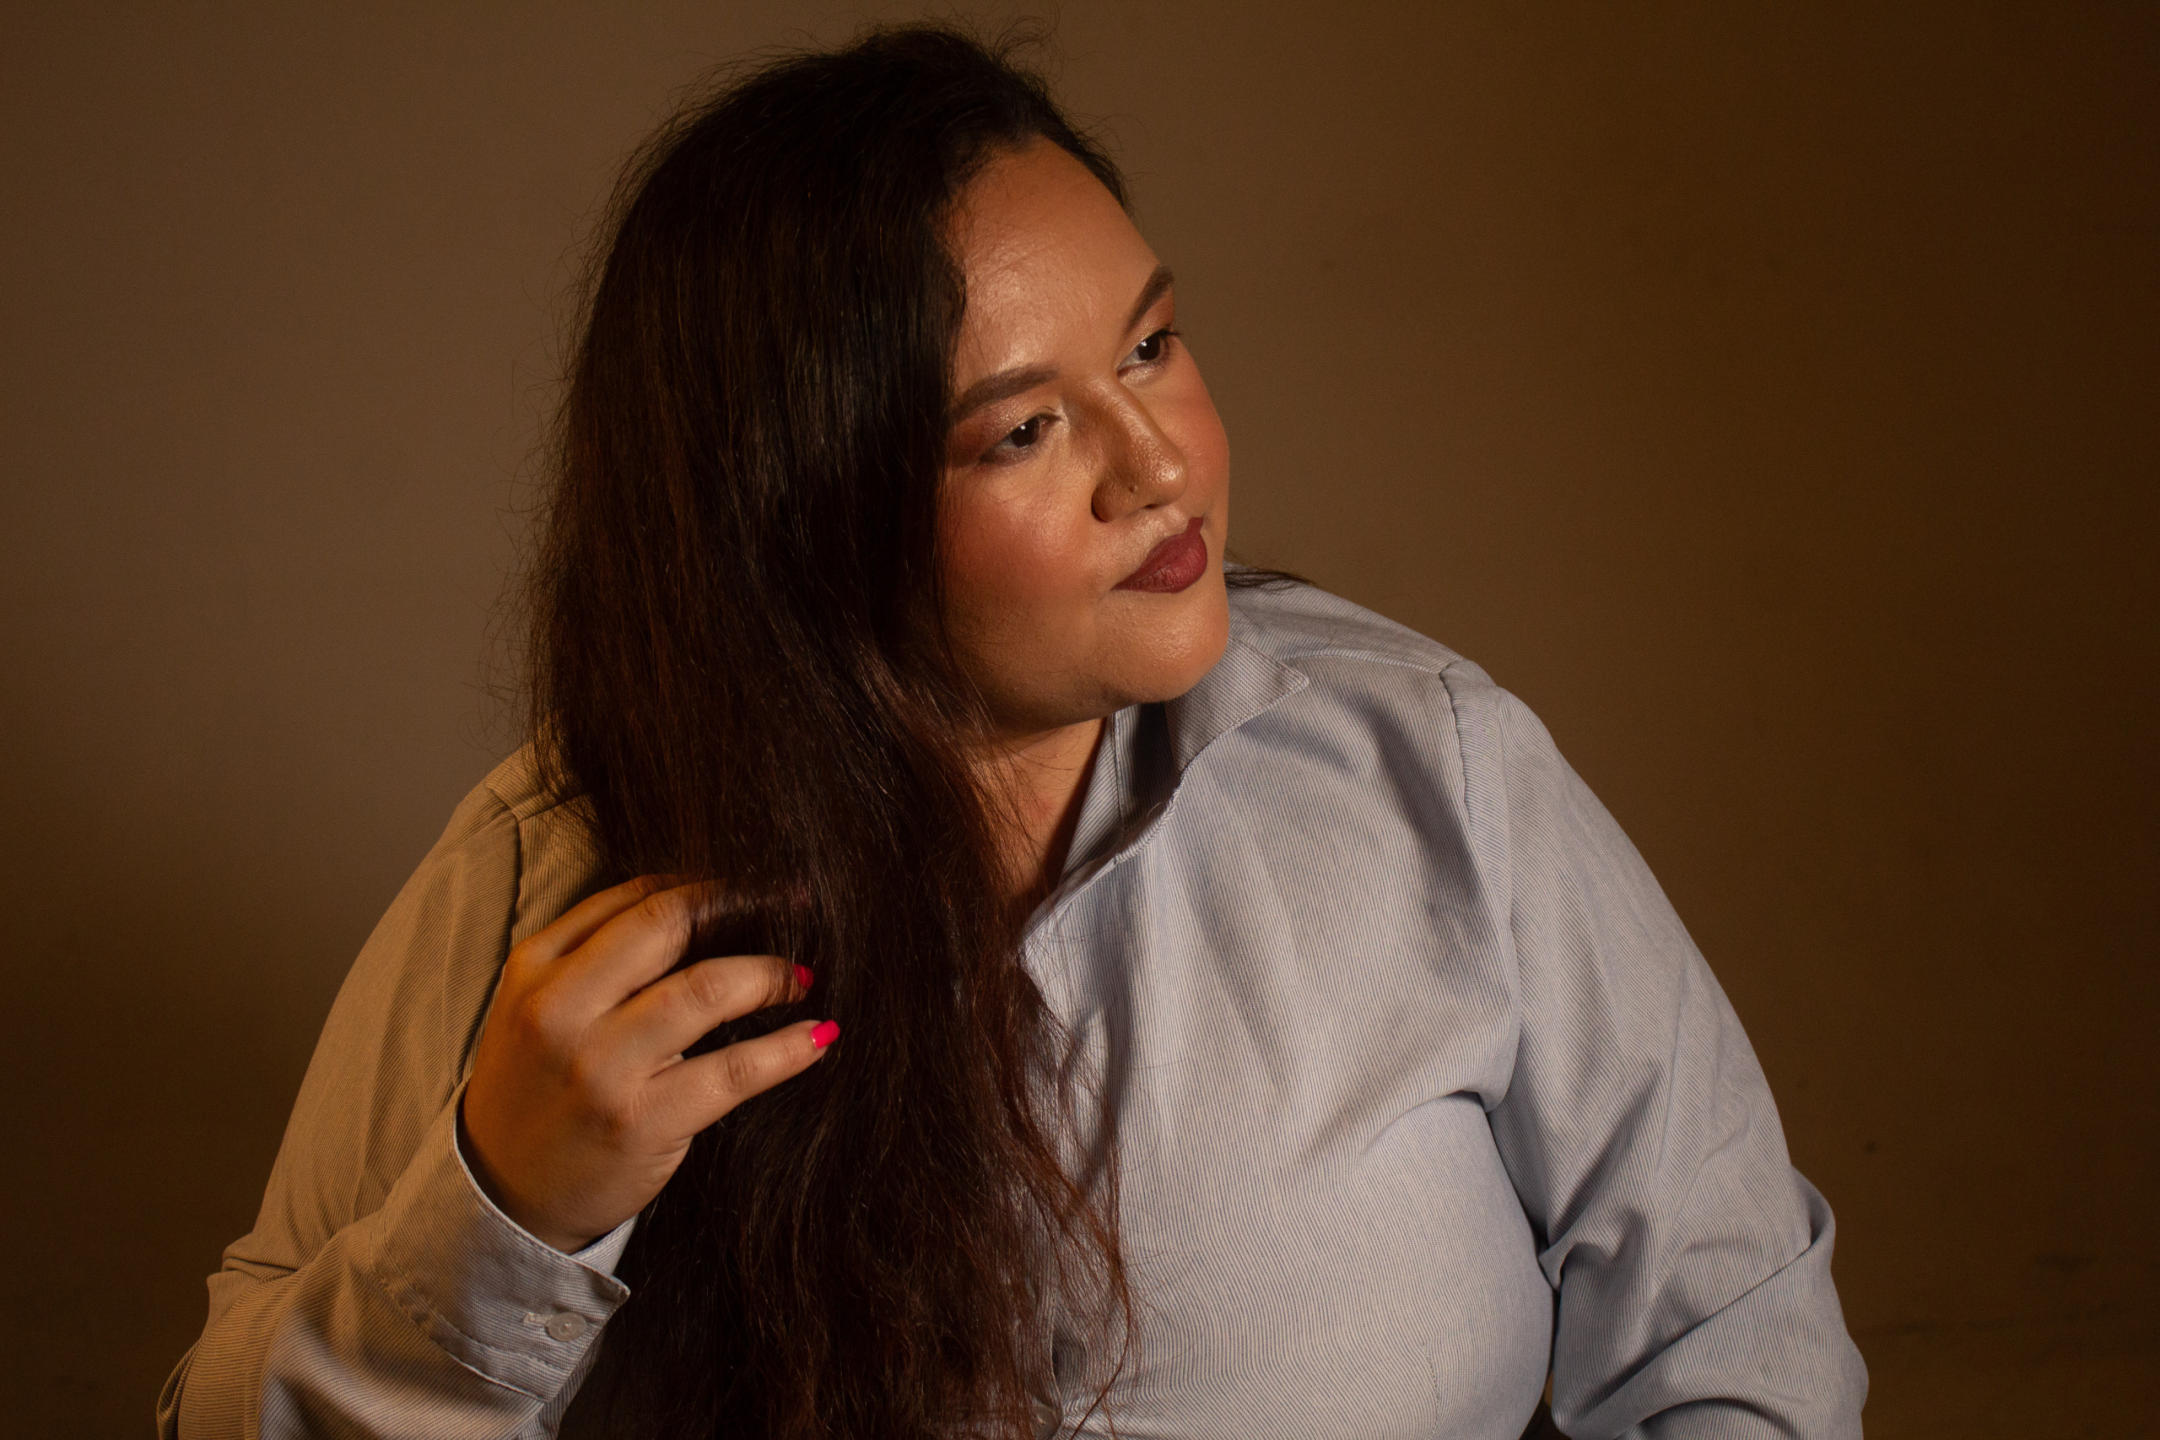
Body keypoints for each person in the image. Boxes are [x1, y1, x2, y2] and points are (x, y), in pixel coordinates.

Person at [158, 24, 1867, 1440]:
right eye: (1025, 430)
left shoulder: (1436, 770)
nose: (1161, 464)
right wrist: (505, 1213)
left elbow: (1736, 1332)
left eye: (1154, 344)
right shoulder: (552, 881)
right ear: (806, 517)